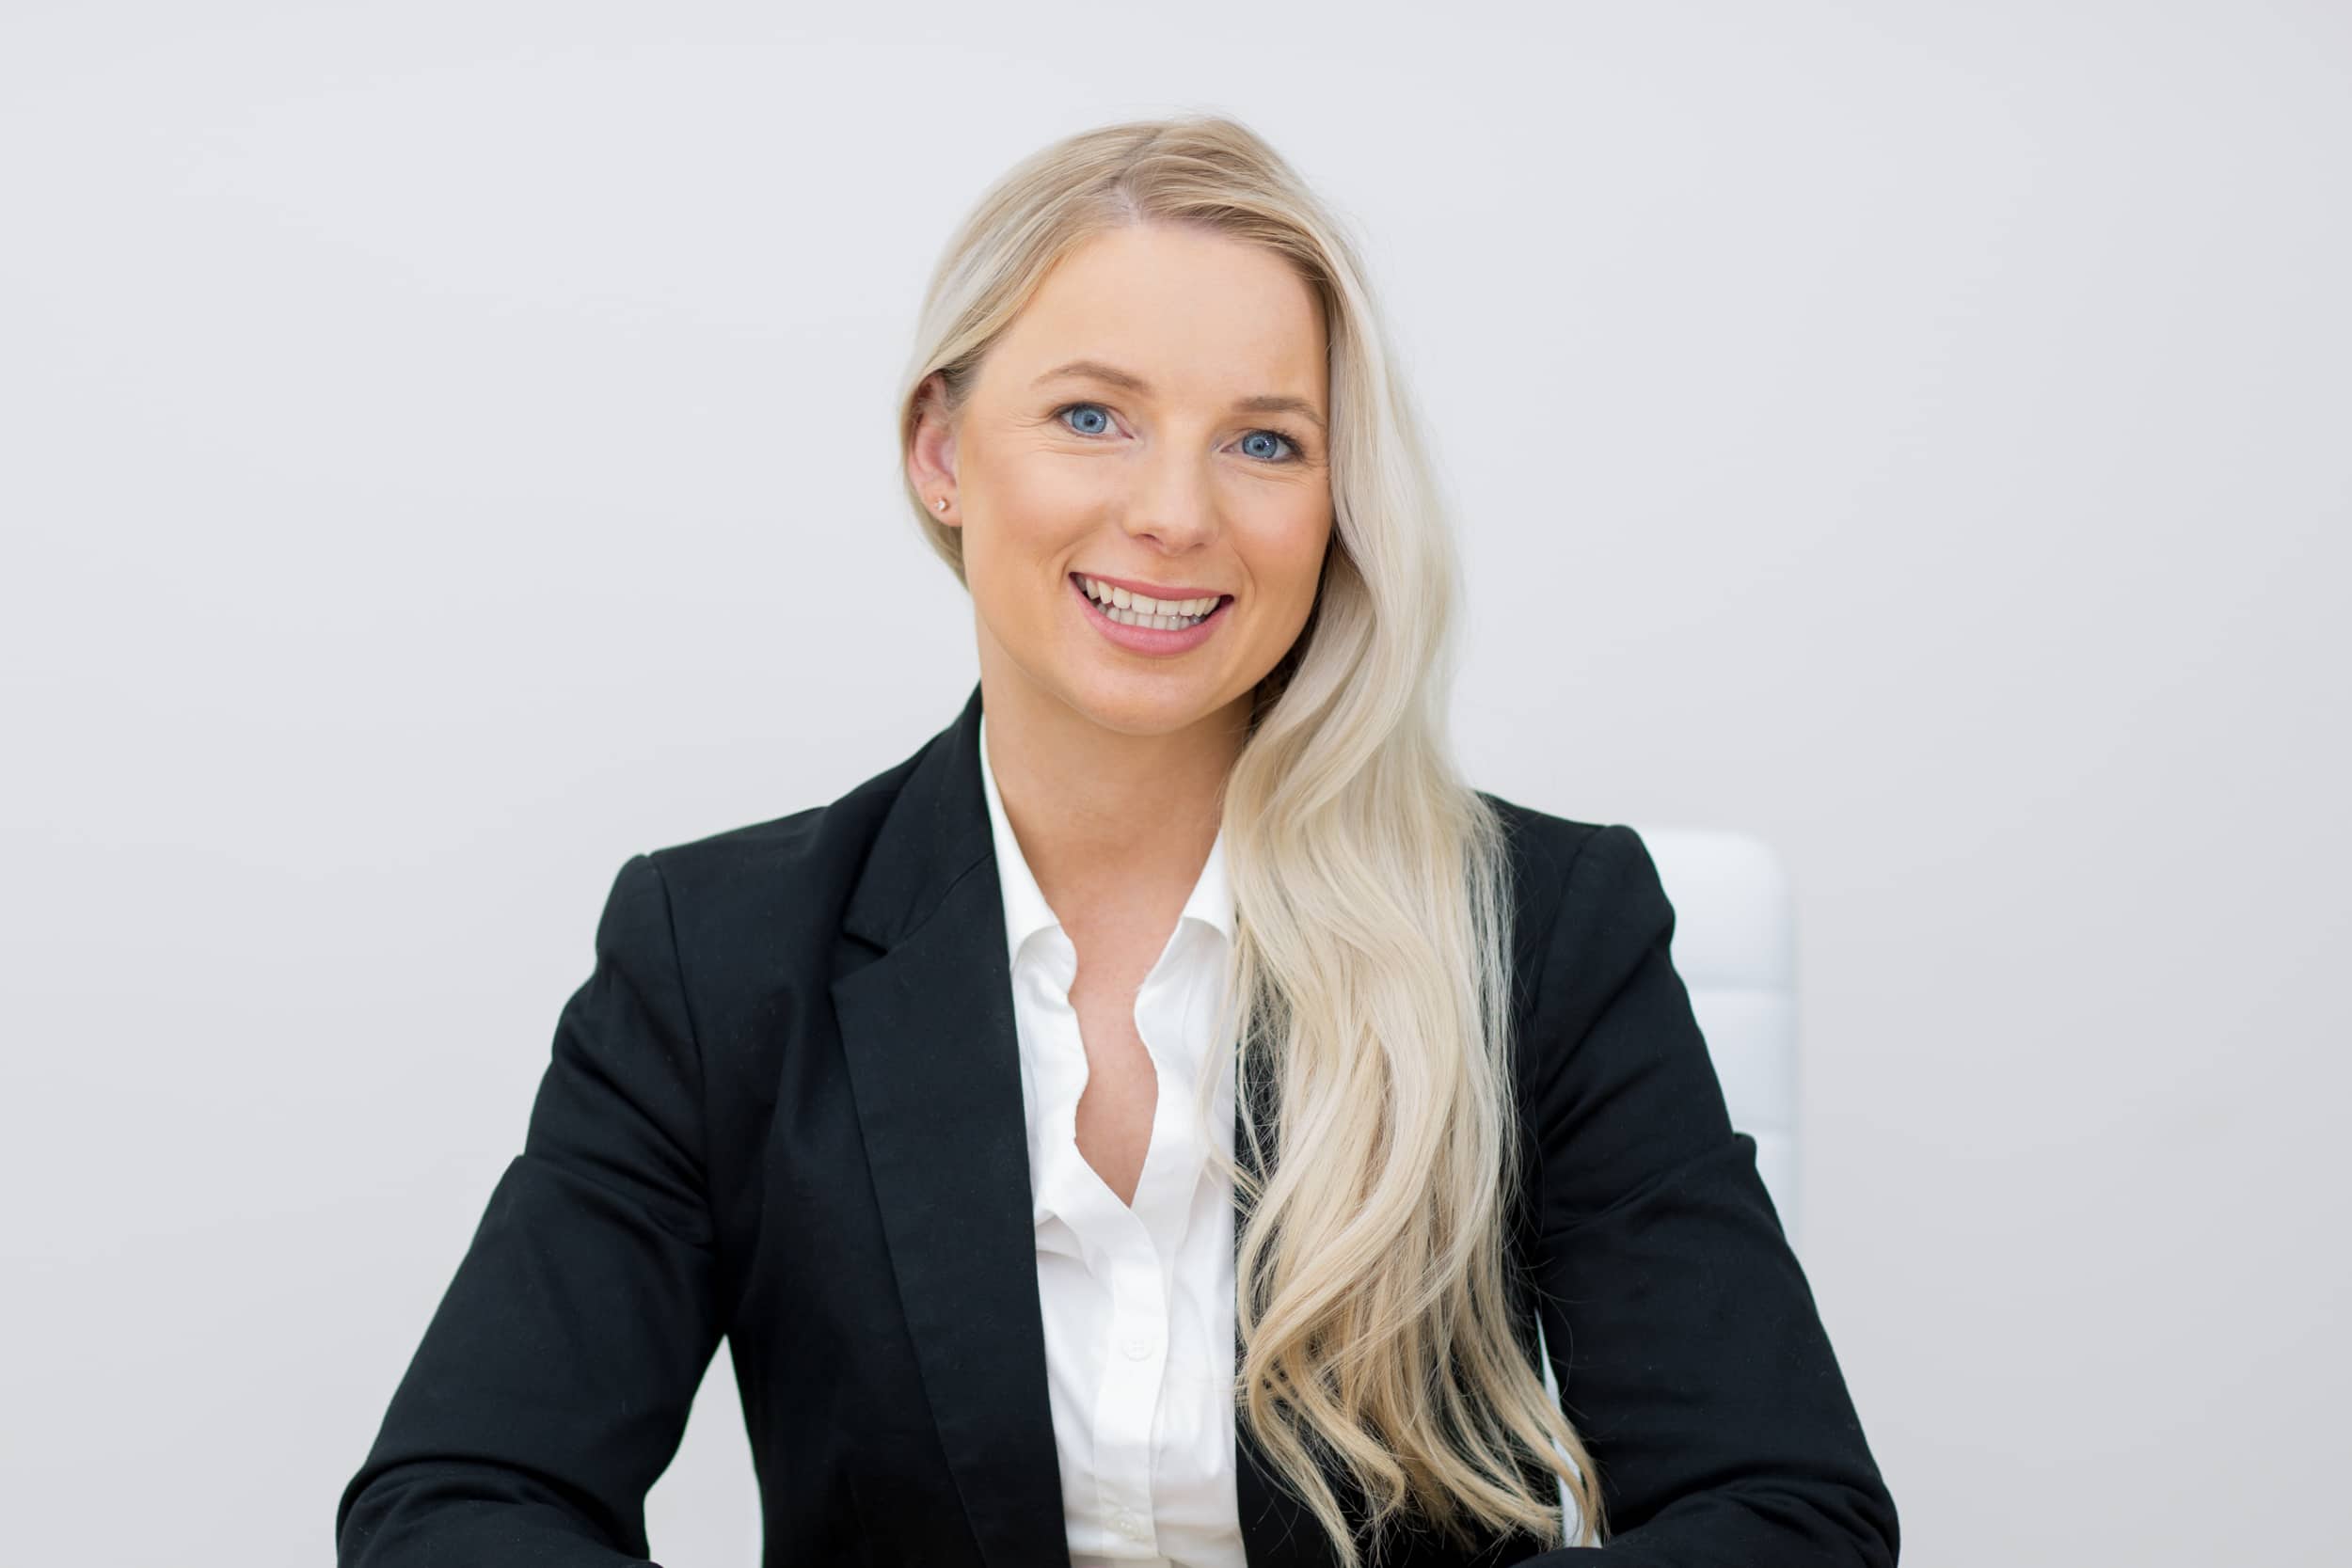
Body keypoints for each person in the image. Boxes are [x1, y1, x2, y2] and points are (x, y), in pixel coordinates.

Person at [335, 115, 1898, 1568]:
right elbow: (461, 1501)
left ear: (1339, 503)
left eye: (1266, 443)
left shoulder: (1538, 929)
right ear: (942, 453)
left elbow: (1782, 1512)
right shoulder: (721, 954)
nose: (1173, 512)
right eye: (1093, 415)